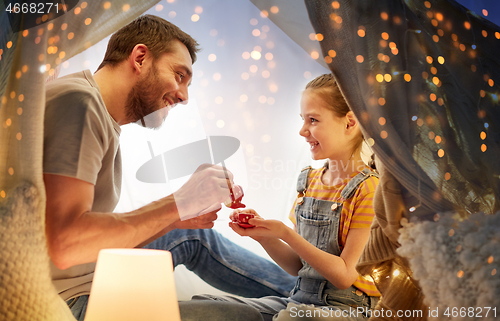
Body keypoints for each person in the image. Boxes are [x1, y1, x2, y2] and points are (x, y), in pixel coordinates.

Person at [43, 14, 294, 321]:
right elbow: (66, 245)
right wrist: (179, 203)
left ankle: (312, 295)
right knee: (246, 316)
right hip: (71, 301)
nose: (184, 96)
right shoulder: (78, 105)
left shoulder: (92, 109)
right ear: (139, 58)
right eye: (179, 75)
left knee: (193, 236)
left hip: (90, 276)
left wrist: (178, 218)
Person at [188, 74, 381, 321]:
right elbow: (298, 267)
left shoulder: (369, 189)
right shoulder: (308, 182)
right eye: (303, 120)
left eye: (313, 120)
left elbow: (344, 276)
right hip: (298, 301)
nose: (302, 131)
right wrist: (262, 235)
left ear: (349, 123)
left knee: (291, 318)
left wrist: (284, 233)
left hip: (346, 310)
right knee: (209, 308)